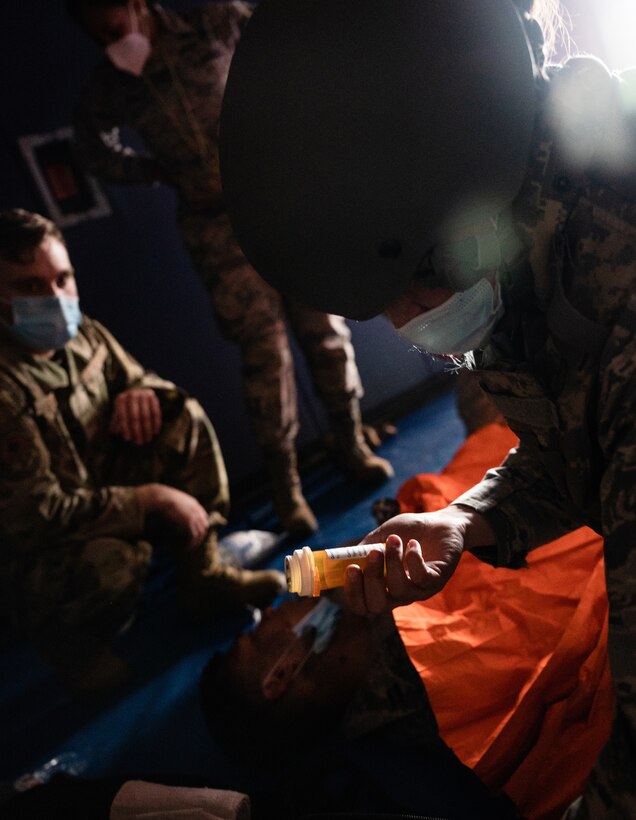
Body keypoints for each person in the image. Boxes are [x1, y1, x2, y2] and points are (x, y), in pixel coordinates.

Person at [215, 0, 636, 817]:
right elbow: (574, 446)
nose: (410, 324)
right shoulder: (537, 231)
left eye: (411, 286)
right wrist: (466, 519)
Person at [65, 0, 394, 540]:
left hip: (282, 203)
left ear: (136, 4)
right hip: (215, 230)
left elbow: (288, 53)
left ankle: (351, 442)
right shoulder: (112, 83)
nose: (110, 40)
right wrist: (156, 172)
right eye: (96, 36)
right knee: (265, 357)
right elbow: (90, 148)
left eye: (113, 25)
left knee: (325, 331)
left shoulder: (214, 20)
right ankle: (286, 485)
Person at [0, 208, 285, 693]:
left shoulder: (84, 334)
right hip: (41, 551)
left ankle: (202, 577)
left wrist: (141, 390)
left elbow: (140, 379)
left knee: (179, 416)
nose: (55, 297)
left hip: (100, 496)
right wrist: (147, 499)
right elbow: (35, 516)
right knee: (113, 562)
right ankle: (70, 644)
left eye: (63, 278)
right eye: (29, 286)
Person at [199, 593, 519, 820]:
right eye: (256, 635)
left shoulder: (362, 597)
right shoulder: (421, 699)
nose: (268, 611)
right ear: (281, 675)